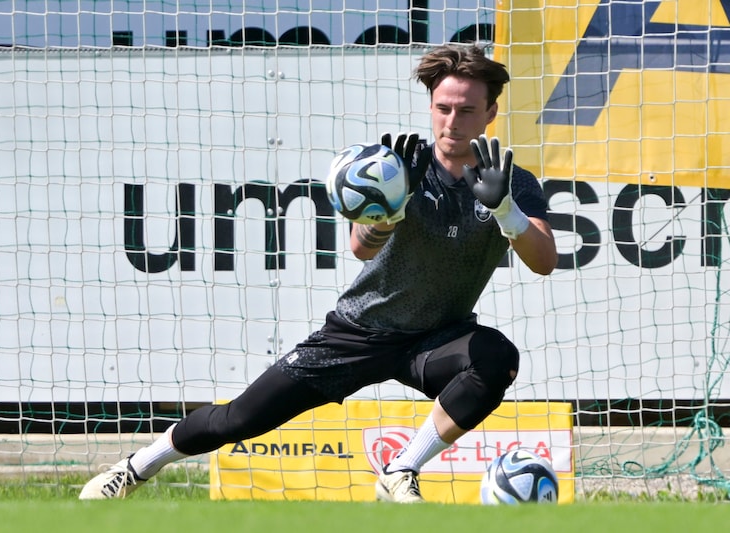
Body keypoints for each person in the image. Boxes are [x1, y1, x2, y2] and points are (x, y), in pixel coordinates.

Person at [79, 43, 557, 503]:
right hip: (358, 332)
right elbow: (360, 249)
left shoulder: (511, 182)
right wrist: (386, 217)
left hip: (437, 341)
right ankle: (137, 467)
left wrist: (506, 211)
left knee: (496, 358)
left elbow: (544, 261)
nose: (452, 122)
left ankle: (401, 470)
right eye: (443, 108)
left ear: (491, 113)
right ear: (431, 106)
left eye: (467, 110)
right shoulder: (398, 165)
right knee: (238, 420)